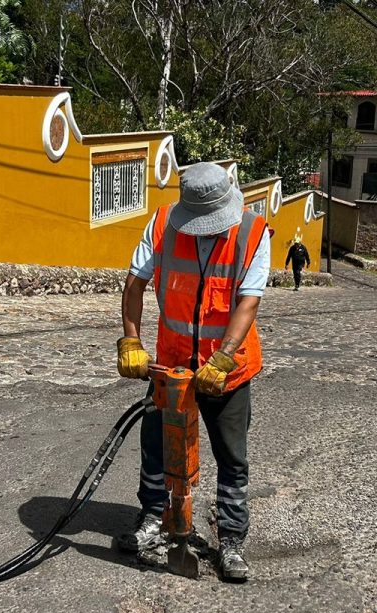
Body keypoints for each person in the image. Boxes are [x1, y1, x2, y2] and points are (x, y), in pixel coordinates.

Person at [115, 162, 270, 582]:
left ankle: (232, 539)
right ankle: (153, 518)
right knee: (156, 446)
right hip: (173, 363)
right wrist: (131, 341)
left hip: (228, 370)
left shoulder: (253, 233)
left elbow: (248, 302)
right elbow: (134, 283)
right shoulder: (164, 223)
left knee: (231, 456)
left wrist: (223, 358)